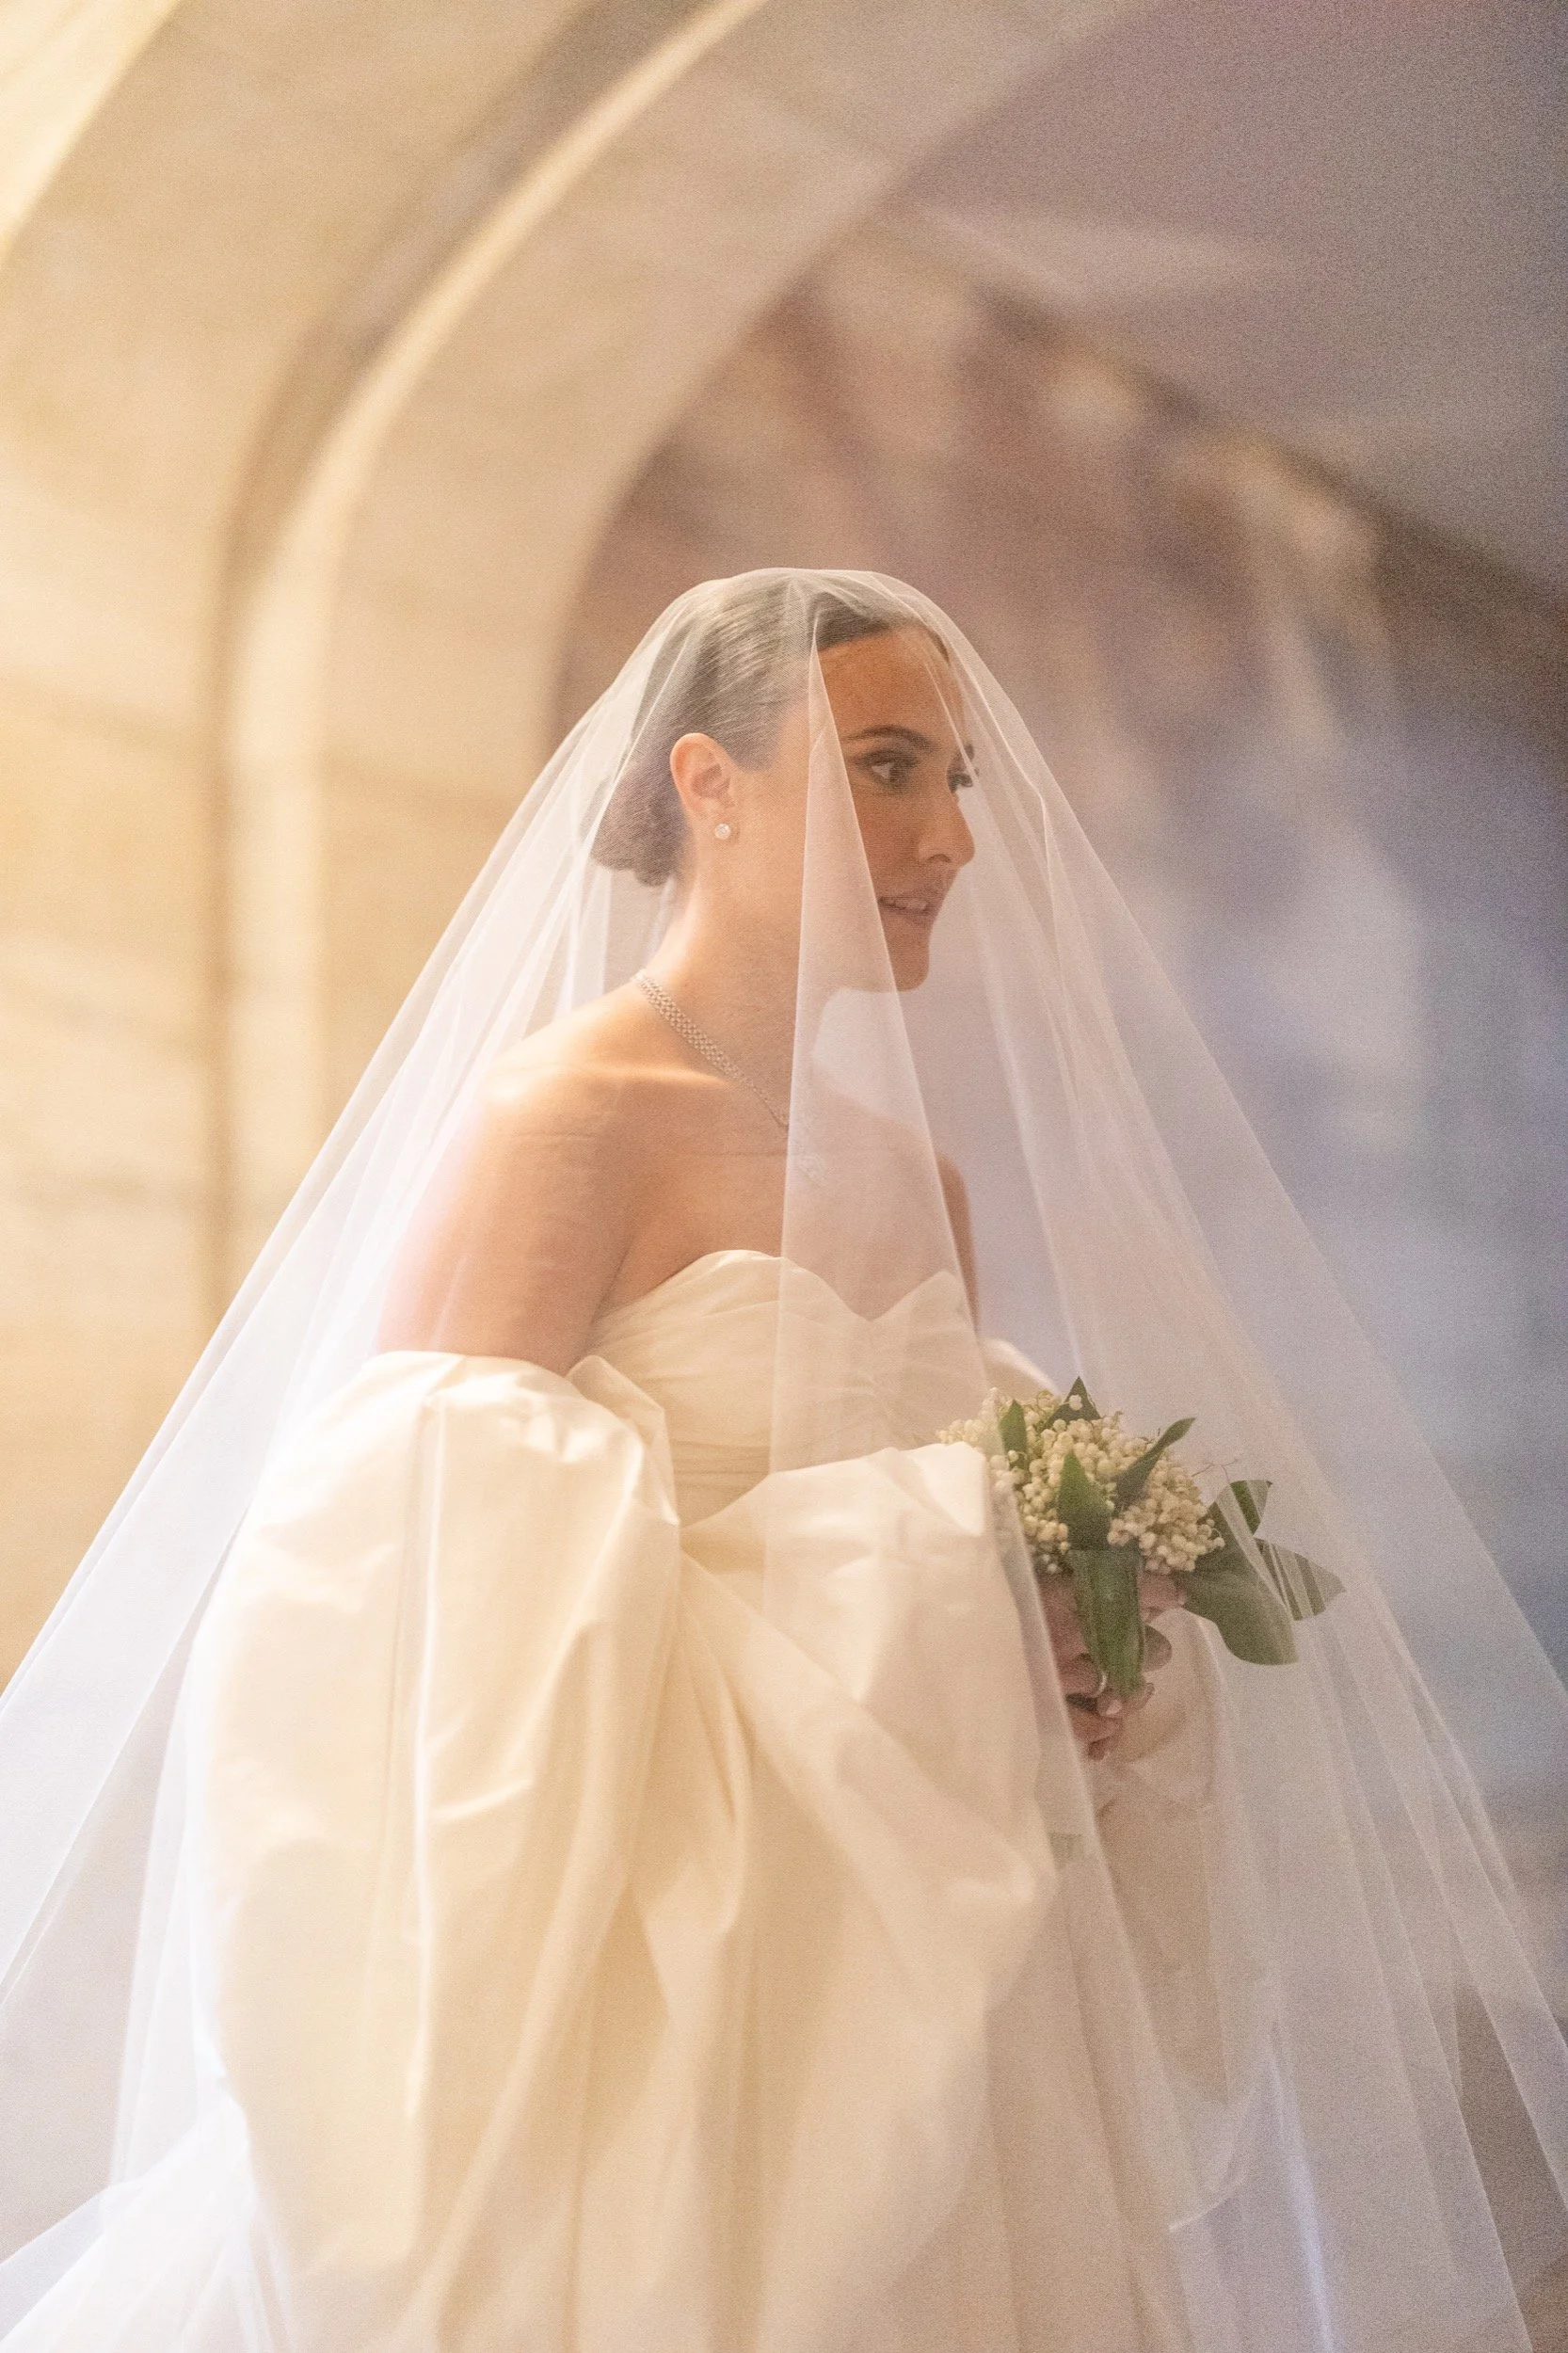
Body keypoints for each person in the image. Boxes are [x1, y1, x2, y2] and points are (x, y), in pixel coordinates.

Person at [1, 569, 1565, 2351]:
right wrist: (928, 1600)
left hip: (937, 1957)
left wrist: (1074, 1645)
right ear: (706, 784)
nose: (949, 837)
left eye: (957, 780)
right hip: (677, 1999)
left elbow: (962, 1538)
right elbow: (409, 1598)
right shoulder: (568, 1120)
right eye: (888, 768)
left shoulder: (926, 1187)